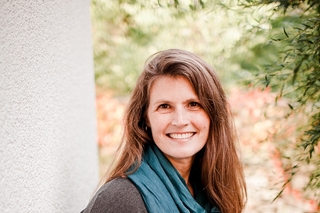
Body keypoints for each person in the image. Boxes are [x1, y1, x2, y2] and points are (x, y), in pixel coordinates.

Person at [81, 49, 247, 213]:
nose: (180, 121)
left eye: (193, 104)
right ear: (145, 117)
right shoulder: (120, 199)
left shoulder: (209, 190)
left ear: (213, 114)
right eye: (165, 106)